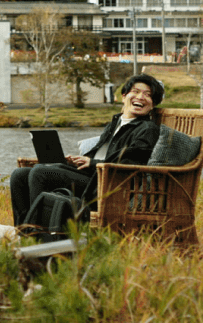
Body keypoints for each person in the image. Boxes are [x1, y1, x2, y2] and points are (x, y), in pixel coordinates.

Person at [9, 73, 164, 229]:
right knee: (19, 175)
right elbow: (101, 153)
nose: (141, 97)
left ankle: (43, 233)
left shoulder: (147, 129)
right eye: (135, 92)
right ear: (124, 96)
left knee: (41, 172)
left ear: (152, 105)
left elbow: (132, 162)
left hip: (107, 185)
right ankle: (24, 230)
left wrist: (92, 163)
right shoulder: (116, 122)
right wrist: (78, 160)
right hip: (91, 176)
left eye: (148, 95)